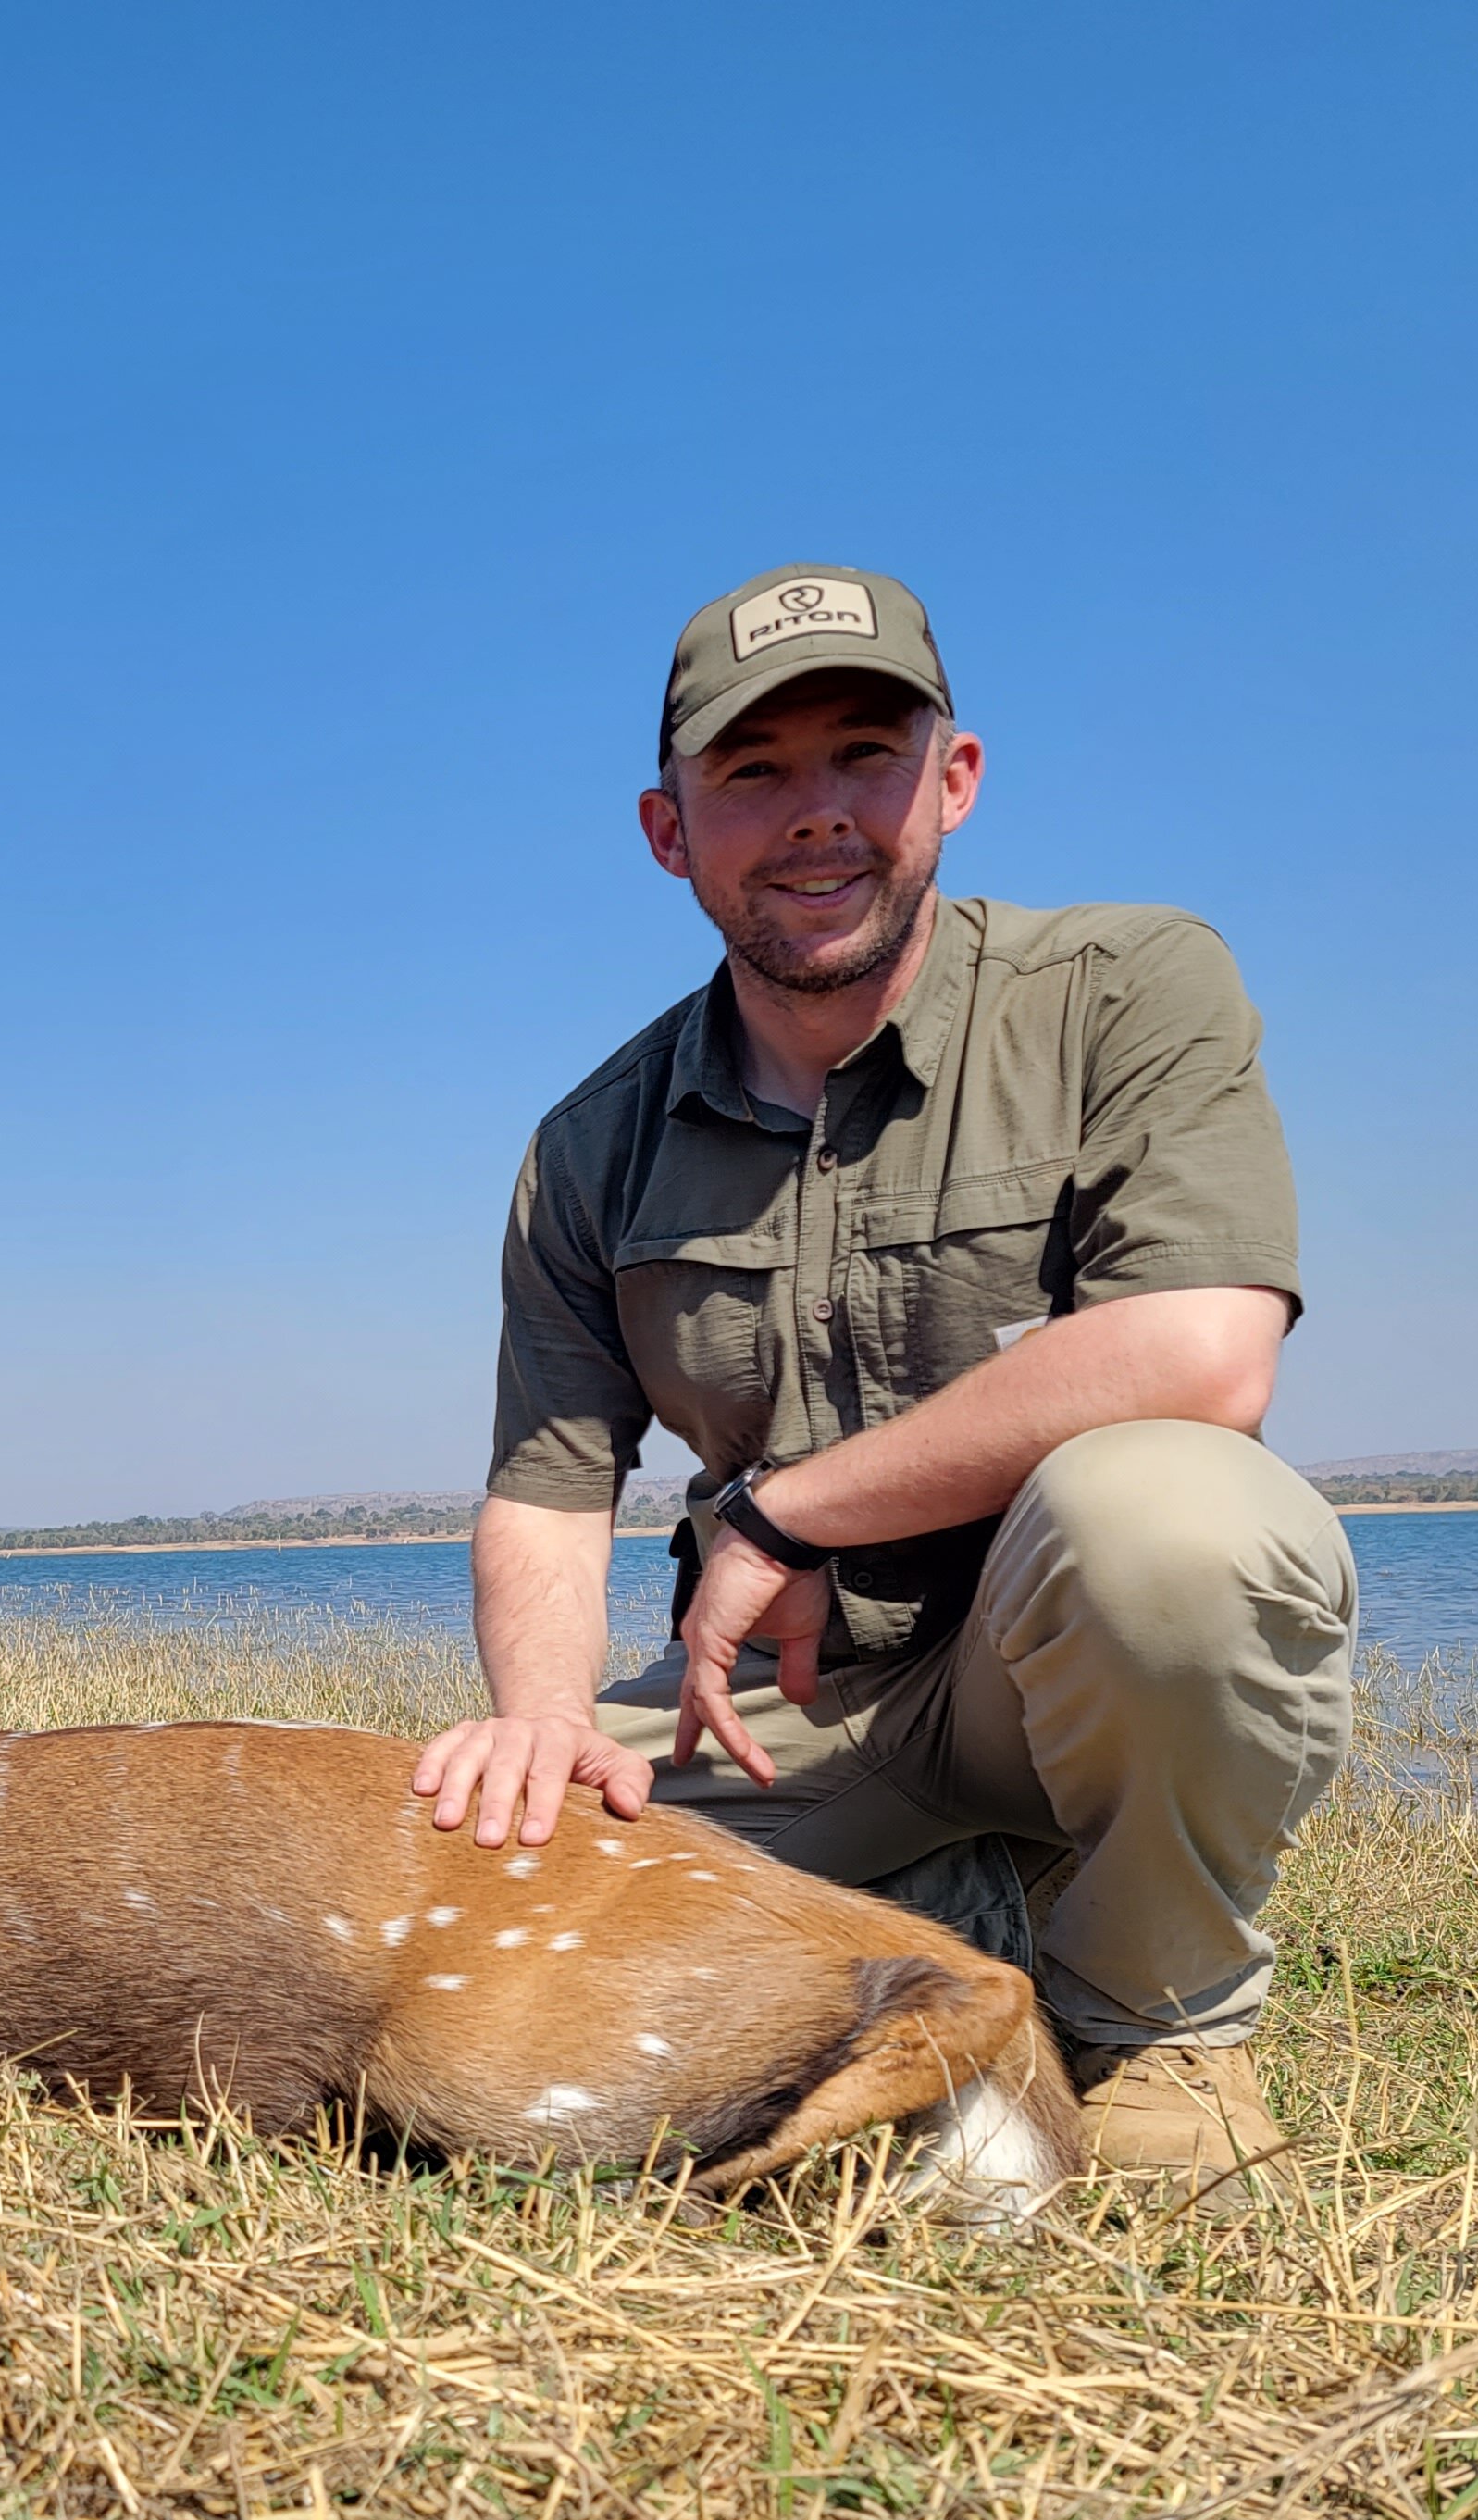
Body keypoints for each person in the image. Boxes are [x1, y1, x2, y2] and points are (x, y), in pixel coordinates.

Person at [409, 564, 1355, 2207]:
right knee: (461, 1894)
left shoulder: (1129, 985)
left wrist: (784, 1511)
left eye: (865, 754)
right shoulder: (588, 1145)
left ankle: (1161, 2033)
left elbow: (1204, 1347)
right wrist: (550, 1730)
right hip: (785, 1716)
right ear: (668, 829)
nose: (818, 817)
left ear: (957, 781)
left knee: (1170, 1521)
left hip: (1054, 1672)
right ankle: (966, 1909)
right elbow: (552, 1491)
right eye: (754, 774)